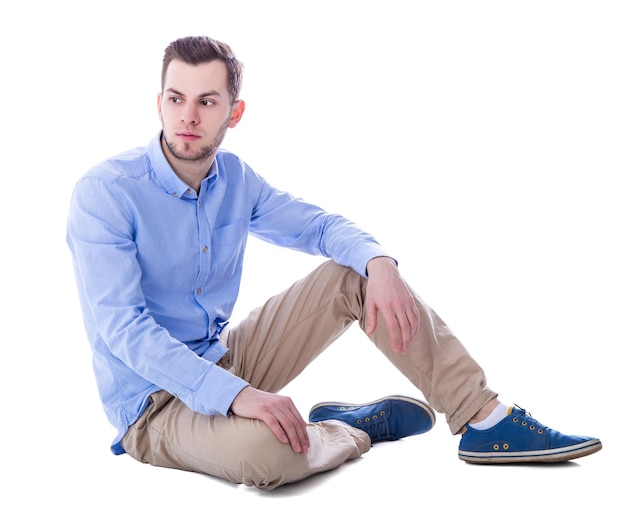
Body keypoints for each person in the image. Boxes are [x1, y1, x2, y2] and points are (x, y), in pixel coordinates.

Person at [66, 35, 602, 490]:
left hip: (223, 358)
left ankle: (486, 419)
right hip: (155, 407)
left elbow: (319, 227)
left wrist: (379, 263)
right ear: (157, 101)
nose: (187, 116)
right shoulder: (107, 192)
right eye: (176, 98)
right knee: (271, 458)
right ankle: (351, 429)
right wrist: (239, 396)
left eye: (207, 101)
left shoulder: (235, 178)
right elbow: (124, 331)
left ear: (234, 112)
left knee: (352, 274)